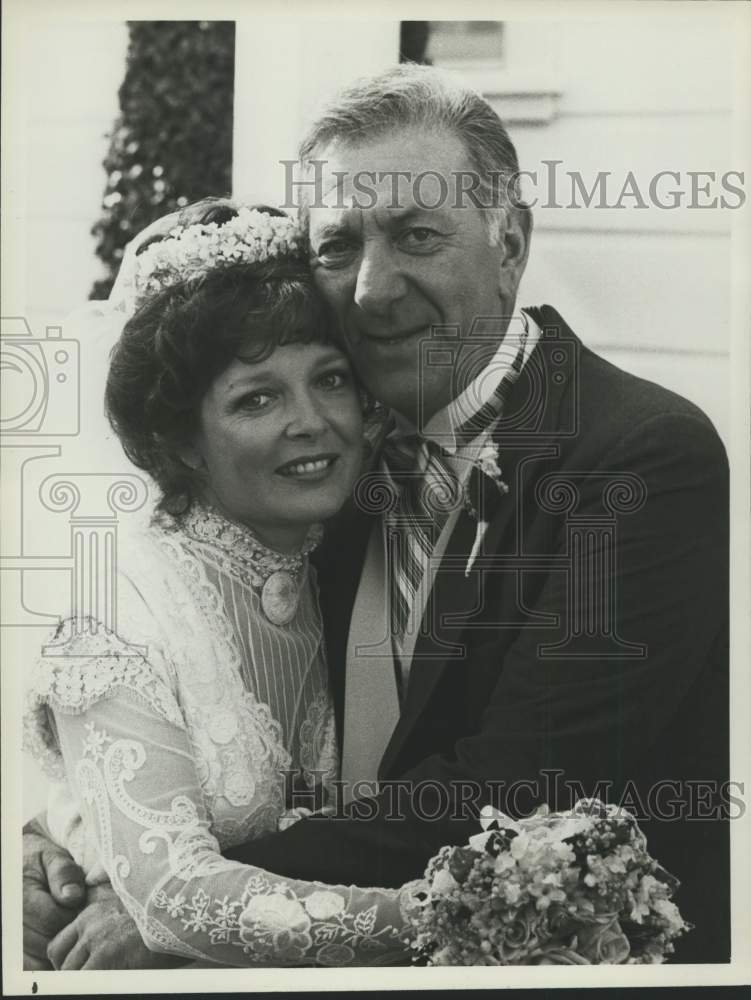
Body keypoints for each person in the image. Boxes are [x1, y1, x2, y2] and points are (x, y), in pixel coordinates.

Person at [25, 64, 730, 967]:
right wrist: (66, 848)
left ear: (509, 241)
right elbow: (191, 707)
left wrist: (177, 903)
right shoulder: (324, 461)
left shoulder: (639, 456)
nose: (370, 289)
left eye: (416, 236)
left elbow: (523, 784)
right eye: (337, 246)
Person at [23, 201, 419, 968]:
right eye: (256, 398)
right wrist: (449, 914)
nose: (311, 421)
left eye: (330, 379)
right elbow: (172, 895)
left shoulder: (344, 562)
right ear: (180, 441)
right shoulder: (115, 615)